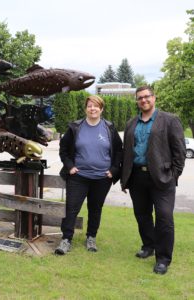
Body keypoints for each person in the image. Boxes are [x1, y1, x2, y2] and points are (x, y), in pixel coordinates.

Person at [121, 86, 186, 275]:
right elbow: (127, 152)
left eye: (146, 97)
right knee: (142, 215)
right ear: (137, 101)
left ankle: (163, 258)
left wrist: (174, 174)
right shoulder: (131, 123)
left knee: (164, 217)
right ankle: (148, 246)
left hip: (162, 178)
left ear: (154, 98)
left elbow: (179, 151)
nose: (143, 100)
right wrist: (125, 178)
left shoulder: (170, 120)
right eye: (139, 98)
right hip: (137, 177)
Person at [55, 95, 123, 255]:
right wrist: (70, 166)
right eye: (90, 106)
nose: (93, 109)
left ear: (101, 109)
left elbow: (119, 151)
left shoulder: (109, 128)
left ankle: (91, 237)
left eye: (96, 106)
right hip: (78, 177)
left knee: (95, 209)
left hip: (102, 178)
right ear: (85, 108)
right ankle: (66, 239)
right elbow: (63, 150)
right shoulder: (75, 127)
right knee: (71, 208)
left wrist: (113, 170)